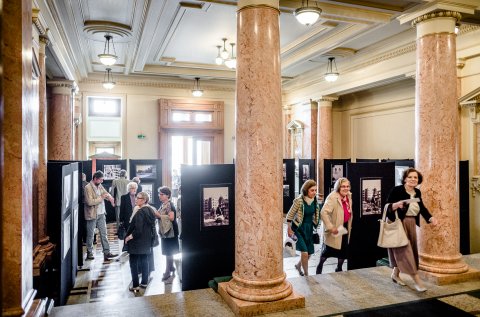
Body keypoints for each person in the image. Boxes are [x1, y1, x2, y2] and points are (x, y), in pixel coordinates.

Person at [386, 168, 438, 292]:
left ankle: (395, 274)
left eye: (415, 177)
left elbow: (422, 208)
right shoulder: (397, 190)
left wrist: (430, 218)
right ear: (404, 178)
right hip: (398, 223)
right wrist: (396, 205)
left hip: (411, 223)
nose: (413, 179)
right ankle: (417, 281)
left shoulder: (417, 192)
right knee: (405, 251)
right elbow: (387, 206)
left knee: (407, 250)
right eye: (410, 177)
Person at [316, 177, 352, 274]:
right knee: (327, 251)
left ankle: (339, 268)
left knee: (343, 250)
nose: (346, 188)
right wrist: (330, 227)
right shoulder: (332, 197)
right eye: (343, 186)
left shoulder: (349, 196)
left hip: (344, 227)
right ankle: (319, 267)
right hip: (334, 228)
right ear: (338, 187)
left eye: (348, 186)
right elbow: (323, 212)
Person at [286, 179, 320, 276]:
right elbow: (289, 215)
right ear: (306, 190)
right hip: (298, 229)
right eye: (312, 190)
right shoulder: (299, 201)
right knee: (304, 253)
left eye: (315, 190)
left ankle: (298, 265)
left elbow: (317, 215)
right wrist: (289, 229)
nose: (314, 192)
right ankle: (306, 274)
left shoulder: (315, 201)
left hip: (309, 229)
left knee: (308, 254)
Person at [124, 191, 156, 292]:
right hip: (146, 241)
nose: (136, 199)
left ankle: (135, 285)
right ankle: (144, 282)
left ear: (145, 200)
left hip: (137, 242)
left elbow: (138, 230)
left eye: (139, 198)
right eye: (136, 197)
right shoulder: (150, 210)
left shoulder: (140, 212)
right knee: (144, 260)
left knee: (133, 262)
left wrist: (129, 237)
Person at [84, 170, 118, 261]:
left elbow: (105, 194)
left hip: (101, 214)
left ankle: (107, 252)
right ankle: (89, 253)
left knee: (104, 234)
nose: (102, 182)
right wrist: (101, 198)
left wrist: (111, 199)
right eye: (100, 180)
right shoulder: (88, 187)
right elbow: (90, 202)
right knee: (90, 235)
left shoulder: (100, 185)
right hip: (92, 215)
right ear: (95, 179)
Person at [155, 186, 179, 281]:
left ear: (167, 195)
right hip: (167, 232)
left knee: (168, 252)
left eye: (162, 194)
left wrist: (159, 216)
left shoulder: (169, 205)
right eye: (159, 194)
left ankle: (167, 271)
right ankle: (171, 267)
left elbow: (172, 217)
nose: (159, 196)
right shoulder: (164, 204)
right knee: (169, 251)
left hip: (170, 232)